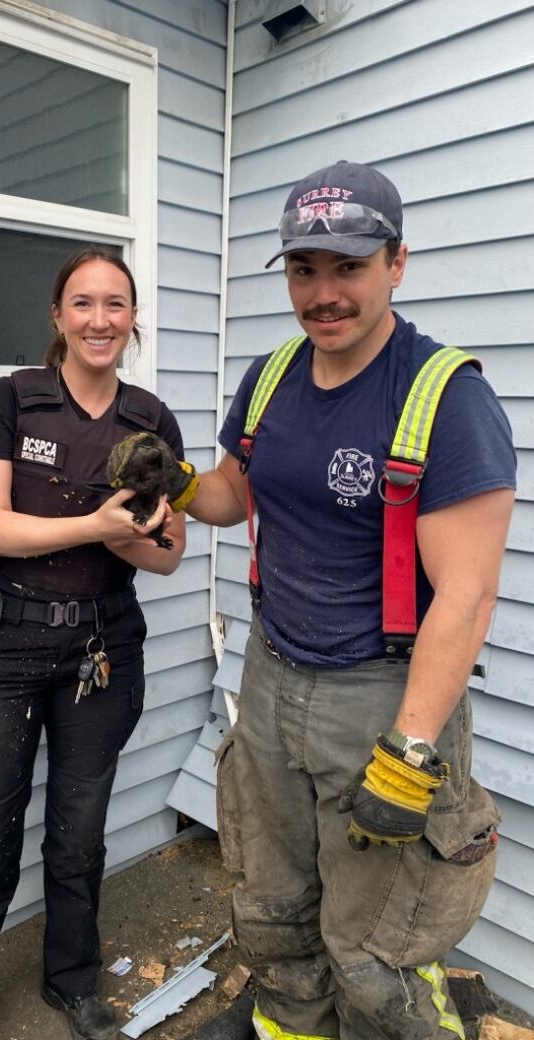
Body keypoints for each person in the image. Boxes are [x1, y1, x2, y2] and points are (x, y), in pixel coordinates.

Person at [186, 161, 517, 1039]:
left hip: (381, 695)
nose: (323, 293)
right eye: (304, 269)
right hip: (269, 675)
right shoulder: (270, 376)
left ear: (396, 263)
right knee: (272, 904)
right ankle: (289, 1026)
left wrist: (411, 752)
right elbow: (234, 491)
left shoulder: (447, 398)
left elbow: (469, 596)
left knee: (374, 943)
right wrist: (178, 484)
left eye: (348, 267)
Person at [0, 247, 187, 1040]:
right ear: (58, 317)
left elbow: (168, 556)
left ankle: (72, 980)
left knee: (80, 831)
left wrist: (130, 536)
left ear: (133, 318)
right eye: (83, 303)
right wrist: (97, 524)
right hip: (4, 647)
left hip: (103, 648)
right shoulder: (13, 400)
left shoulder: (151, 421)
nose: (99, 319)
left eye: (115, 304)